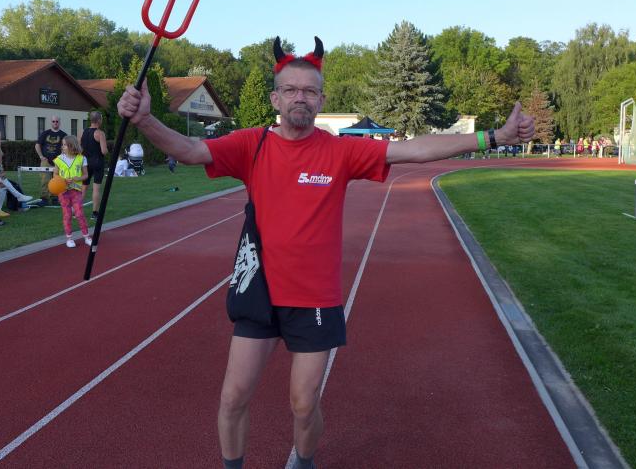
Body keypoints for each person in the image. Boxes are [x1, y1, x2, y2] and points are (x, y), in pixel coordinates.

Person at [117, 36, 535, 469]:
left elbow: (415, 149)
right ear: (276, 98)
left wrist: (493, 137)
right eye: (291, 90)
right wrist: (145, 119)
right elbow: (189, 150)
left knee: (303, 404)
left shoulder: (339, 151)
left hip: (314, 299)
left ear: (322, 99)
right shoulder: (251, 145)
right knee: (232, 397)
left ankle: (304, 460)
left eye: (309, 91)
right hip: (259, 293)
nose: (300, 97)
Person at [53, 135, 92, 248]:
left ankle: (87, 237)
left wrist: (78, 178)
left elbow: (86, 175)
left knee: (79, 213)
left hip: (76, 191)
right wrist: (63, 180)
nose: (62, 147)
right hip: (63, 192)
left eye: (65, 145)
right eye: (62, 145)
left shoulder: (81, 158)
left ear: (71, 146)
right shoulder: (59, 159)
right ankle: (69, 238)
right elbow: (55, 174)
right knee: (67, 215)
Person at [79, 111, 109, 220]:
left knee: (83, 187)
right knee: (96, 189)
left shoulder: (82, 132)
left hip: (85, 163)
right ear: (99, 120)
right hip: (97, 162)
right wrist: (108, 150)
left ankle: (75, 211)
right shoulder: (100, 133)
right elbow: (104, 151)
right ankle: (95, 213)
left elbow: (79, 148)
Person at [35, 115, 67, 206]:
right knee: (44, 180)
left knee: (57, 181)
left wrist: (62, 157)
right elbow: (37, 145)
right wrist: (41, 156)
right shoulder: (45, 133)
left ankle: (55, 198)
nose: (55, 123)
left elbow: (66, 147)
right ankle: (44, 199)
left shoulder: (63, 135)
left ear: (59, 122)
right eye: (53, 121)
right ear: (51, 122)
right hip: (45, 161)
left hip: (58, 162)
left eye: (57, 121)